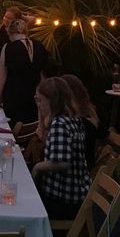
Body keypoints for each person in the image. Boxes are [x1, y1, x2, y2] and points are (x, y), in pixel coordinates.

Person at [31, 77, 89, 220]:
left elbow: (62, 162)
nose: (38, 105)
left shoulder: (59, 124)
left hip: (63, 199)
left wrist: (38, 167)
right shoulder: (73, 119)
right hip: (76, 193)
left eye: (40, 100)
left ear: (52, 100)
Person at [0, 17, 48, 125]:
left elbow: (2, 77)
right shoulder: (39, 46)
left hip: (14, 97)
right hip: (34, 97)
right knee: (29, 127)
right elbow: (42, 75)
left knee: (13, 130)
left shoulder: (8, 47)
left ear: (10, 33)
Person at [62, 73, 111, 173]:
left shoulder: (77, 122)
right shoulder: (89, 113)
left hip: (78, 171)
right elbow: (105, 134)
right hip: (84, 165)